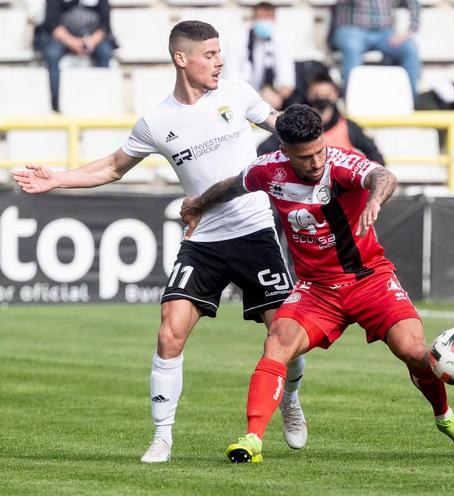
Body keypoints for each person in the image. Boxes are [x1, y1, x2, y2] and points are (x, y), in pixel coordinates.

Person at [12, 20, 308, 464]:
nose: (219, 61)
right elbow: (112, 167)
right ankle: (162, 436)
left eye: (219, 52)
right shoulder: (157, 122)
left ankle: (288, 399)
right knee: (170, 334)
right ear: (181, 59)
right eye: (209, 54)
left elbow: (283, 126)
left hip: (254, 233)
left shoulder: (237, 94)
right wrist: (56, 179)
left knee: (286, 334)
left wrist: (303, 127)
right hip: (203, 240)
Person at [180, 104, 454, 463]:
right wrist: (198, 204)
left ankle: (445, 418)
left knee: (415, 351)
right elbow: (232, 186)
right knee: (276, 341)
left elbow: (383, 176)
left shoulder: (341, 164)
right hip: (317, 290)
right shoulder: (267, 170)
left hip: (369, 279)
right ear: (285, 150)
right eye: (305, 156)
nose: (316, 162)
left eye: (320, 150)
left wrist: (374, 199)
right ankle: (252, 438)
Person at [257, 71, 385, 164]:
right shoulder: (296, 127)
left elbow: (375, 156)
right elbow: (263, 151)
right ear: (309, 94)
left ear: (335, 95)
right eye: (317, 94)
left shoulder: (348, 127)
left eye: (326, 94)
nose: (322, 98)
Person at [330, 0, 421, 96]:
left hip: (384, 32)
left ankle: (410, 101)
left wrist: (410, 30)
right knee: (352, 48)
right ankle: (350, 99)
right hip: (351, 29)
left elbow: (414, 2)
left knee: (409, 49)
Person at [38, 0, 117, 111]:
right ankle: (55, 102)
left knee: (105, 53)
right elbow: (52, 24)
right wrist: (74, 43)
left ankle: (101, 98)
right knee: (52, 54)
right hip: (63, 40)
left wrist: (90, 42)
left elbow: (105, 25)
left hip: (92, 39)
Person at [239, 2, 296, 110]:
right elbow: (233, 76)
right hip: (245, 97)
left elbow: (287, 80)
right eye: (260, 17)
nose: (264, 21)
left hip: (271, 98)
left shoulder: (281, 40)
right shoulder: (240, 39)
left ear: (274, 19)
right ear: (253, 18)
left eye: (268, 17)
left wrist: (277, 95)